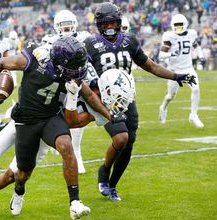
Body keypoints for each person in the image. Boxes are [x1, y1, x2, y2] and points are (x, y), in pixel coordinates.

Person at [0, 36, 112, 220]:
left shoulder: (71, 72)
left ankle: (75, 202)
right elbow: (2, 62)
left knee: (66, 145)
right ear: (60, 62)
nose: (77, 71)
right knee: (22, 174)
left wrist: (109, 115)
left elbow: (89, 96)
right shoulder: (33, 60)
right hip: (26, 120)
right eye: (73, 66)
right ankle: (19, 190)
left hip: (51, 117)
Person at [83, 2, 196, 201]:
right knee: (120, 138)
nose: (109, 26)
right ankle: (104, 170)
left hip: (128, 98)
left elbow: (150, 66)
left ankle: (113, 185)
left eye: (113, 22)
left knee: (129, 144)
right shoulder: (91, 45)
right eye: (105, 23)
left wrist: (176, 76)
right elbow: (81, 73)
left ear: (118, 23)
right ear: (99, 25)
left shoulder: (130, 41)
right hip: (104, 100)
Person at [34, 9, 92, 173]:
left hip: (77, 81)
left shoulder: (83, 37)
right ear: (56, 26)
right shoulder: (49, 40)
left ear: (75, 25)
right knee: (53, 114)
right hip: (57, 84)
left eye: (69, 24)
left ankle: (77, 154)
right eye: (63, 25)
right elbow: (43, 53)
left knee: (76, 115)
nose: (66, 28)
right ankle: (54, 143)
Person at [158, 14, 205, 128]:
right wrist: (171, 54)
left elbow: (196, 46)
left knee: (196, 89)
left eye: (180, 25)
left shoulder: (191, 34)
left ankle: (193, 115)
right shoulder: (169, 36)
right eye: (176, 25)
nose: (178, 27)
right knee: (170, 96)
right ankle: (163, 108)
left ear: (185, 25)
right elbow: (161, 55)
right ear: (172, 25)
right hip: (174, 71)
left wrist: (201, 56)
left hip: (188, 68)